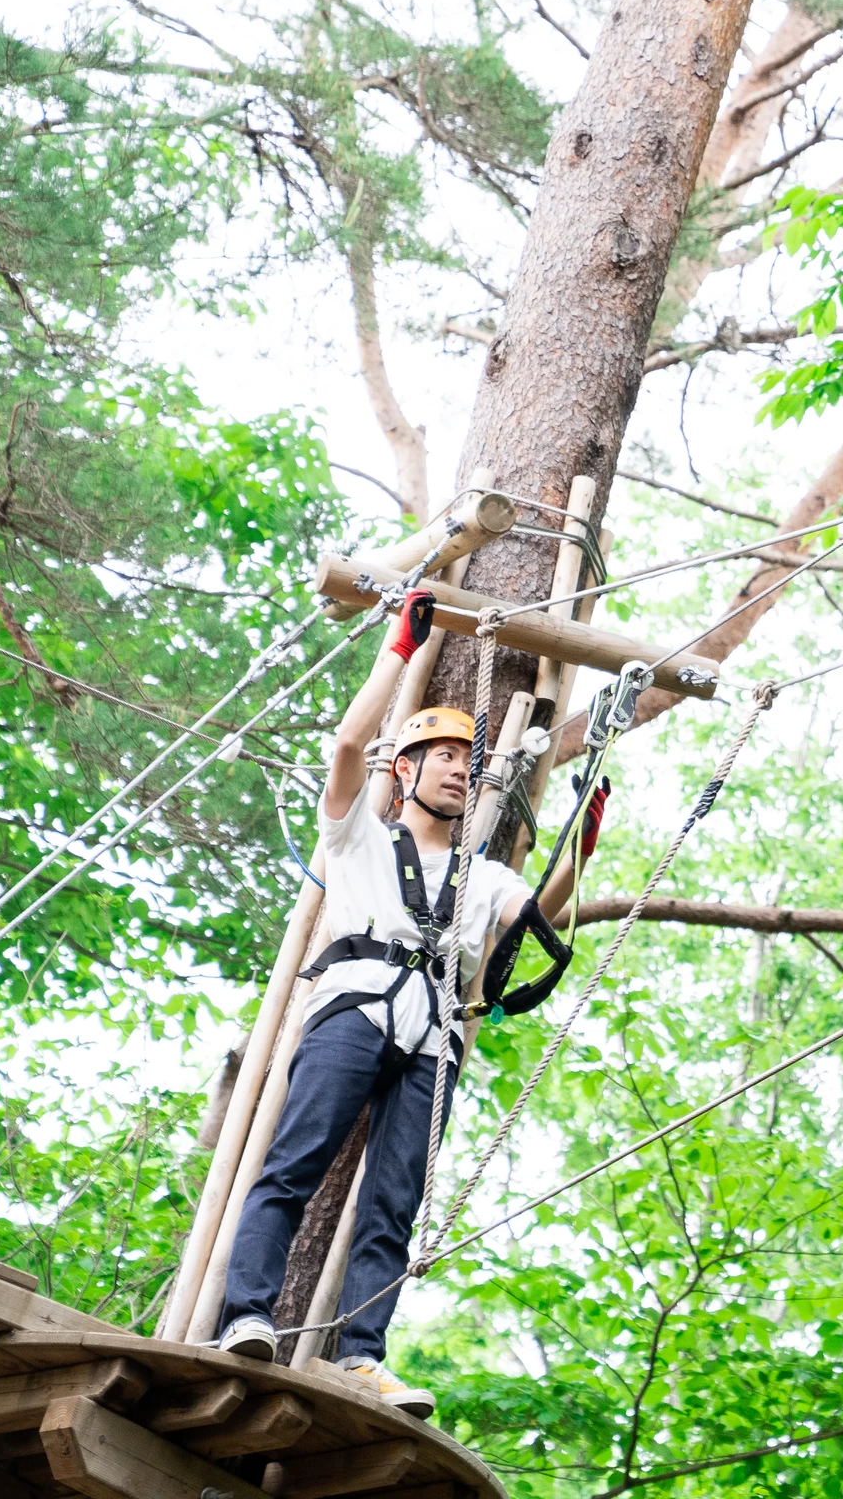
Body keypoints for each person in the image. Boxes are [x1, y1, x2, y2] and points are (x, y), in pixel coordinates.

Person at [212, 592, 586, 1418]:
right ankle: (247, 1314)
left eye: (466, 758)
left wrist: (583, 838)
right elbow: (349, 743)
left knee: (393, 1204)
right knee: (293, 1166)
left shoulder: (481, 874)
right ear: (406, 772)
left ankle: (361, 1358)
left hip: (434, 1034)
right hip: (355, 1008)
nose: (457, 767)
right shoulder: (357, 837)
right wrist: (396, 647)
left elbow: (543, 913)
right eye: (440, 756)